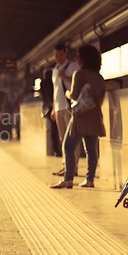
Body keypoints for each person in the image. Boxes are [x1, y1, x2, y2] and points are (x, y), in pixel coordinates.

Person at [51, 44, 106, 189]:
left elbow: (74, 95)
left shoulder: (79, 74)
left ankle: (68, 180)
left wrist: (67, 94)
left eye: (78, 56)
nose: (76, 59)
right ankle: (89, 180)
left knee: (68, 146)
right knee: (91, 150)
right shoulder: (99, 77)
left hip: (80, 117)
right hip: (95, 117)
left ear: (83, 59)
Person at [51, 43, 80, 175]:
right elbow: (55, 90)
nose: (58, 57)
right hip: (58, 107)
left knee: (72, 138)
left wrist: (65, 77)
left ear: (65, 53)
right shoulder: (54, 69)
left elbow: (77, 84)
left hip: (69, 106)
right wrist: (53, 108)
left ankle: (74, 167)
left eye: (60, 54)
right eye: (56, 55)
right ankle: (66, 166)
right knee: (63, 139)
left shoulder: (73, 66)